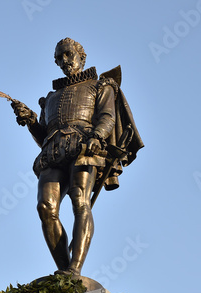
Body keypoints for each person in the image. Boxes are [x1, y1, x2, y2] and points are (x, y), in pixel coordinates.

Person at [12, 37, 142, 275]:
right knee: (45, 207)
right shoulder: (50, 98)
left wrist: (98, 137)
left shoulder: (100, 86)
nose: (64, 61)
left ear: (82, 57)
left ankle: (74, 269)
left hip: (84, 148)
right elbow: (44, 136)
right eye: (59, 57)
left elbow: (107, 117)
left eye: (68, 55)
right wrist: (30, 120)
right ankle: (63, 273)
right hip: (52, 152)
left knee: (79, 201)